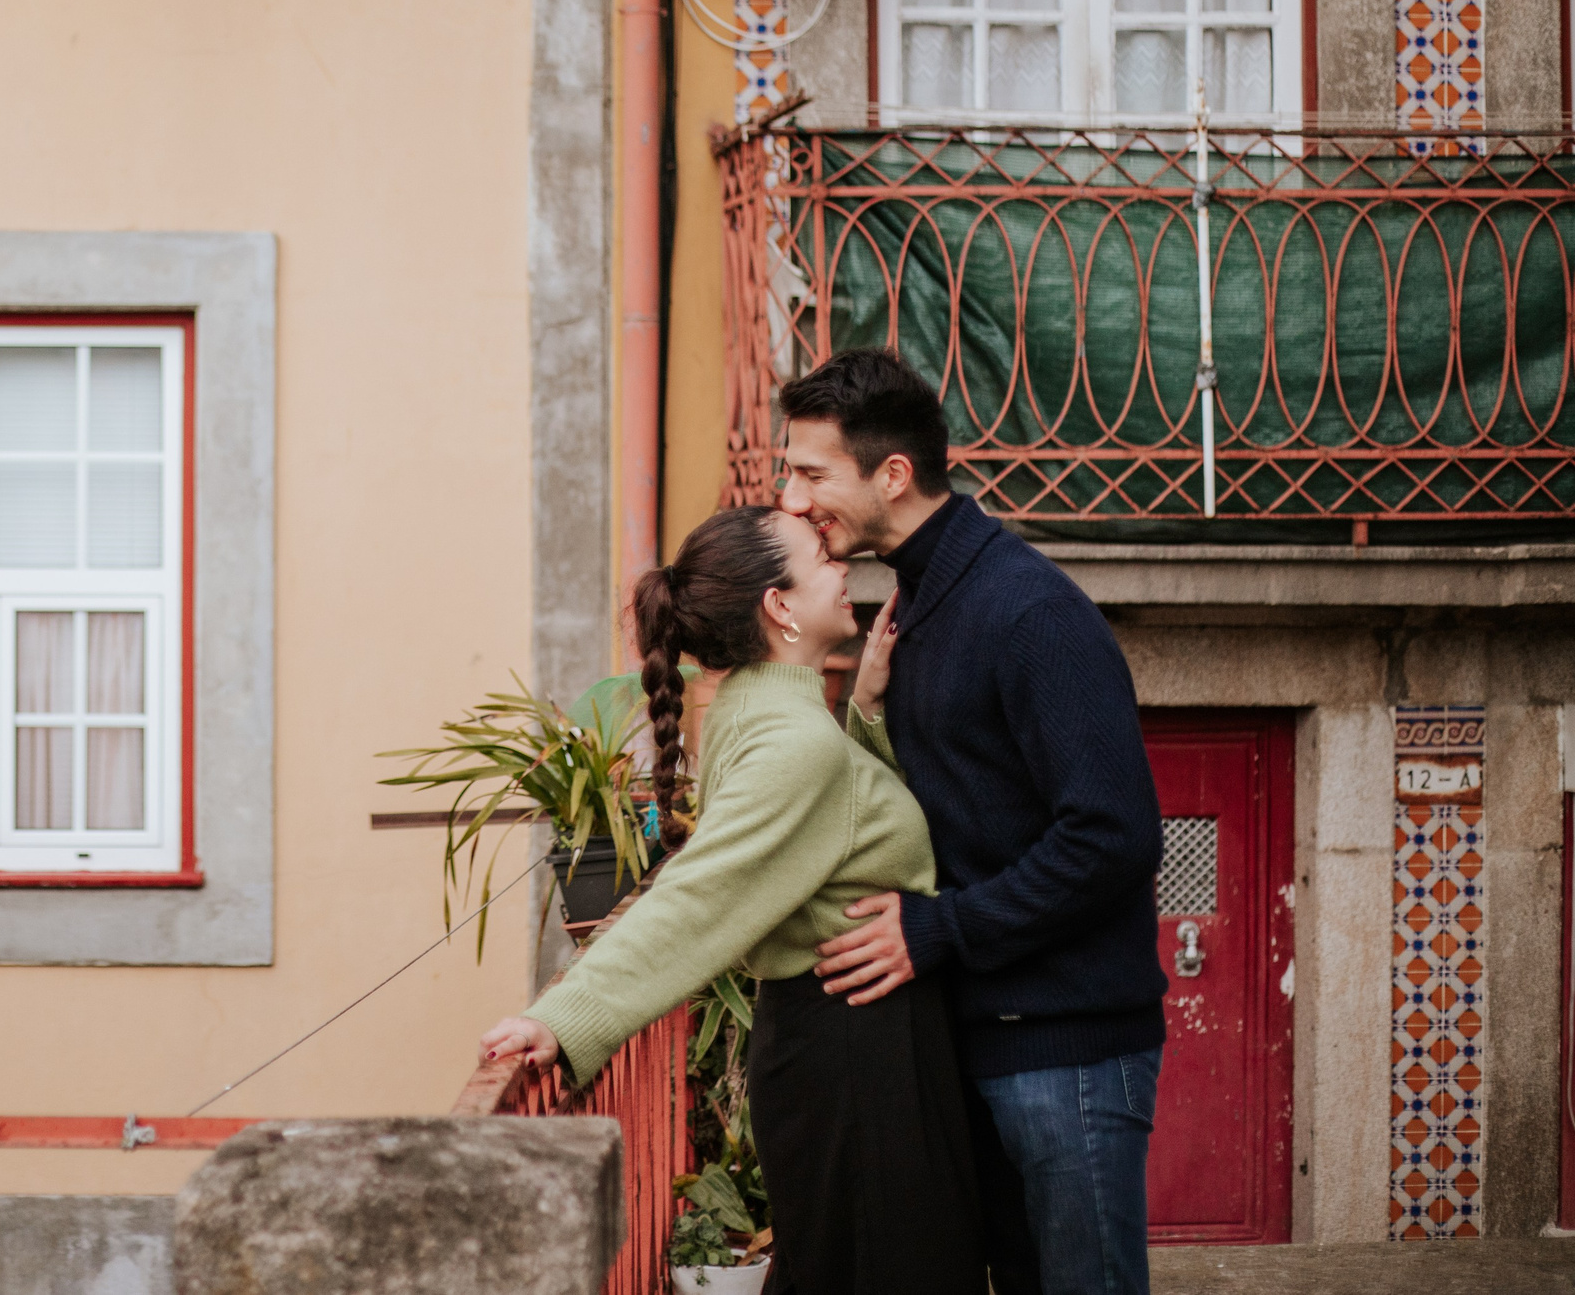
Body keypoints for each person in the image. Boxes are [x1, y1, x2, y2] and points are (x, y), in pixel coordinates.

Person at [477, 504, 985, 1295]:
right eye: (821, 557)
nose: (843, 566)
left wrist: (864, 711)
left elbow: (829, 828)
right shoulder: (796, 741)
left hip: (834, 1041)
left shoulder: (758, 706)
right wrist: (567, 1017)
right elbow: (701, 891)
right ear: (780, 605)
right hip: (863, 1055)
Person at [777, 348, 1167, 1295]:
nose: (792, 499)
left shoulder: (1030, 611)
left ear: (892, 474)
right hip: (980, 1037)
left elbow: (1113, 834)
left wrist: (938, 928)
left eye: (812, 473)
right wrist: (867, 712)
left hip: (1069, 1052)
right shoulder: (921, 600)